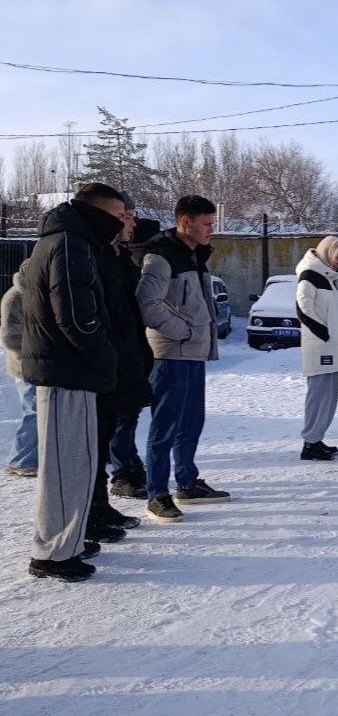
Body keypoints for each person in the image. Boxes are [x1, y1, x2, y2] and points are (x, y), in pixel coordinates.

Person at [21, 183, 125, 581]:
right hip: (68, 372)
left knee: (73, 465)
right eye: (117, 217)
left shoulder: (67, 240)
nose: (119, 225)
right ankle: (52, 554)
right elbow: (77, 318)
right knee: (67, 468)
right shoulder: (69, 244)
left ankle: (68, 540)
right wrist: (104, 353)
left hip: (68, 370)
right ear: (97, 212)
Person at [137, 195, 228, 523]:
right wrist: (186, 332)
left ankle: (187, 483)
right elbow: (148, 304)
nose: (211, 230)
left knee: (191, 423)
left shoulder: (194, 255)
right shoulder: (161, 257)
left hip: (192, 356)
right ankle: (156, 493)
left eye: (212, 224)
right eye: (206, 224)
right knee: (165, 427)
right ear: (184, 222)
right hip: (172, 355)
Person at [86, 191, 150, 539]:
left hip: (120, 366)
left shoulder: (116, 255)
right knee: (96, 445)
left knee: (108, 436)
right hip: (101, 370)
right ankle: (91, 512)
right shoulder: (92, 255)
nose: (132, 223)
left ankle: (100, 506)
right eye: (126, 216)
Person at [109, 216, 162, 499]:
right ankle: (122, 473)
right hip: (122, 354)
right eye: (124, 218)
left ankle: (130, 467)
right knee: (121, 419)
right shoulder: (120, 263)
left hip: (134, 351)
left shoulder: (127, 262)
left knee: (126, 418)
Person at [295, 236, 338, 461]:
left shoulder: (326, 278)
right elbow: (303, 306)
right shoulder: (310, 275)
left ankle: (316, 439)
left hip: (330, 347)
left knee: (329, 396)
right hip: (321, 348)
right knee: (319, 396)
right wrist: (323, 333)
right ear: (327, 253)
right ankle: (310, 443)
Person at [2, 259, 37, 477]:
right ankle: (21, 460)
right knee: (33, 412)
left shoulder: (33, 295)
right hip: (25, 365)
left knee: (35, 412)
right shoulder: (15, 298)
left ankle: (26, 458)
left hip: (35, 363)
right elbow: (9, 337)